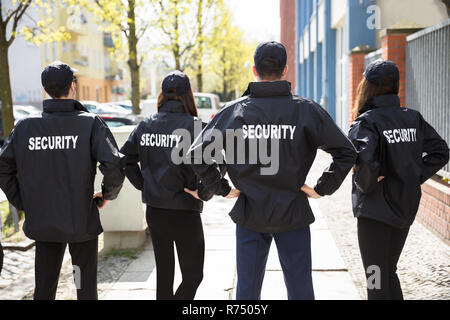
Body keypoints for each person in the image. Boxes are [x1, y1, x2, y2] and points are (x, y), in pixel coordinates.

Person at [184, 41, 357, 300]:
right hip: (292, 212)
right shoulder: (305, 110)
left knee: (247, 292)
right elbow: (347, 151)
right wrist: (322, 187)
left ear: (254, 70)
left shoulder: (234, 112)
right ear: (285, 70)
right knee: (300, 290)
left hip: (251, 212)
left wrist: (222, 188)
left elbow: (196, 154)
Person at [0, 61, 125, 300]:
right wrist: (107, 195)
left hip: (45, 223)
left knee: (45, 287)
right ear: (72, 87)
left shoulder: (26, 126)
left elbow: (3, 167)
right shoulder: (89, 123)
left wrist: (23, 201)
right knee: (83, 284)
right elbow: (114, 165)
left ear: (45, 89)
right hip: (81, 223)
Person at [120, 71, 238, 300]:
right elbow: (222, 161)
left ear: (162, 95)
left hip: (156, 209)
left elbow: (124, 160)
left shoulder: (145, 125)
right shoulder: (197, 127)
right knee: (193, 276)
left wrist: (144, 185)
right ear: (188, 96)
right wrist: (204, 192)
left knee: (164, 276)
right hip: (185, 210)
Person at [348, 59, 449, 300]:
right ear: (396, 85)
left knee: (375, 277)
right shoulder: (412, 118)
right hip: (404, 207)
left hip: (374, 213)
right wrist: (413, 175)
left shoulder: (366, 122)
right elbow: (441, 152)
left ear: (367, 86)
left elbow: (365, 166)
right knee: (388, 271)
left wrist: (370, 182)